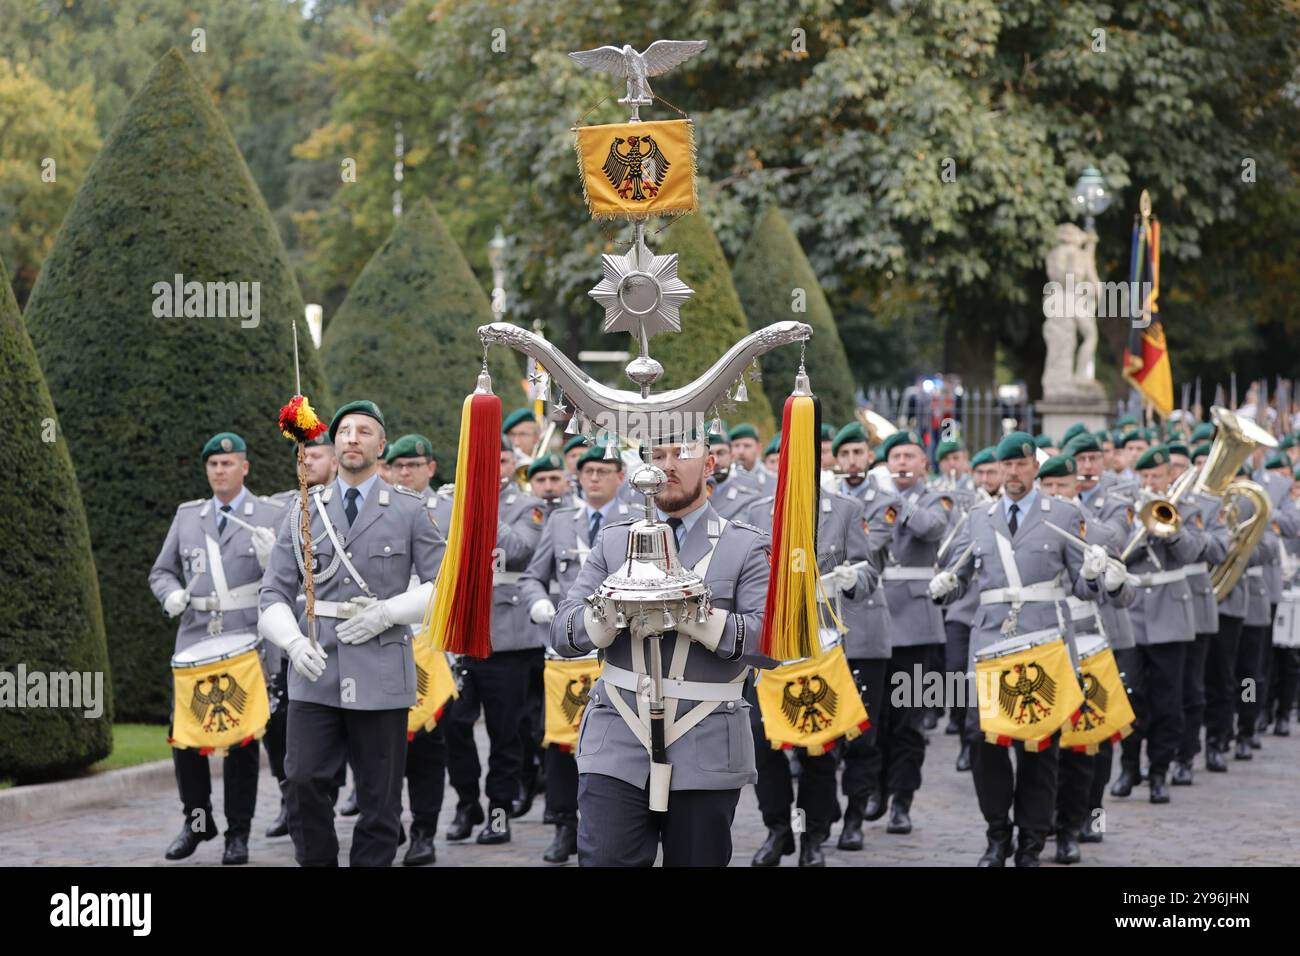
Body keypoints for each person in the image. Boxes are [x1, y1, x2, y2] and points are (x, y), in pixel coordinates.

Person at [548, 432, 777, 866]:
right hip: (618, 730)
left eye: (681, 454)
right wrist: (606, 616)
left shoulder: (745, 544)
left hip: (705, 734)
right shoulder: (615, 541)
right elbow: (563, 632)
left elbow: (769, 646)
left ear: (709, 465)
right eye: (657, 455)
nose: (667, 466)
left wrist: (695, 617)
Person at [258, 400, 442, 867]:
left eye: (364, 431)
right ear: (332, 443)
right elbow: (273, 592)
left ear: (381, 446)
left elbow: (446, 585)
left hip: (381, 665)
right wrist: (292, 641)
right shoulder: (304, 508)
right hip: (315, 664)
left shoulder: (408, 509)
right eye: (343, 431)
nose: (352, 438)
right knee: (301, 780)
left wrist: (388, 613)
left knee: (379, 798)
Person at [929, 432, 1112, 866]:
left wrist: (1094, 573)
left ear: (1034, 467)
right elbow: (959, 576)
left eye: (1021, 465)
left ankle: (1030, 842)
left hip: (1044, 642)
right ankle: (997, 834)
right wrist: (943, 590)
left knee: (1040, 747)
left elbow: (1085, 588)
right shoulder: (979, 516)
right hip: (992, 643)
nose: (1013, 473)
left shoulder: (1064, 514)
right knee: (983, 741)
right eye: (1006, 465)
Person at [149, 431, 283, 864]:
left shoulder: (267, 513)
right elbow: (161, 571)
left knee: (242, 742)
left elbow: (293, 577)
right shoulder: (189, 516)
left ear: (245, 467)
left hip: (246, 640)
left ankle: (237, 834)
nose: (220, 471)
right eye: (213, 465)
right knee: (186, 737)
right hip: (196, 639)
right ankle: (198, 821)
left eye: (228, 464)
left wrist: (272, 562)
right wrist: (170, 594)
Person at [742, 442, 875, 867]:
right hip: (771, 647)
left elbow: (869, 571)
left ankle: (814, 837)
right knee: (766, 745)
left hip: (822, 642)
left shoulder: (845, 509)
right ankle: (777, 828)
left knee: (819, 745)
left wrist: (851, 578)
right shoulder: (754, 510)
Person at [519, 444, 629, 862]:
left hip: (616, 649)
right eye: (588, 471)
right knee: (563, 743)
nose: (595, 478)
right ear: (577, 477)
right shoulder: (562, 521)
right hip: (568, 649)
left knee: (617, 739)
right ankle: (564, 825)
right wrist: (537, 604)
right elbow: (534, 576)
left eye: (604, 470)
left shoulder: (636, 521)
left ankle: (619, 823)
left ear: (620, 476)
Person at [442, 436, 546, 845]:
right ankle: (467, 802)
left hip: (508, 638)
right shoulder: (450, 499)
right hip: (461, 634)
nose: (493, 465)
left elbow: (520, 551)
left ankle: (499, 809)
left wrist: (481, 503)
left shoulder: (527, 505)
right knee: (454, 725)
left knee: (507, 732)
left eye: (500, 460)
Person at [1038, 451, 1135, 862]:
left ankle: (1088, 815)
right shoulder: (1030, 528)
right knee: (1048, 739)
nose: (1057, 493)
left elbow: (1124, 592)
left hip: (1091, 641)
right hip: (1047, 640)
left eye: (1064, 486)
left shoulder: (1089, 524)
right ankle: (1048, 819)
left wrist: (1110, 578)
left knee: (1096, 736)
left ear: (1077, 486)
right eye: (1050, 487)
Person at [1109, 445, 1203, 804]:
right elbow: (1112, 552)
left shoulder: (1187, 508)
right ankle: (1130, 766)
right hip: (1131, 612)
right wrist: (1137, 527)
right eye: (1144, 477)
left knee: (1169, 697)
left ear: (1169, 477)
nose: (1150, 483)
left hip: (1170, 612)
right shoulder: (1124, 510)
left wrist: (1169, 529)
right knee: (1130, 694)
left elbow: (1195, 552)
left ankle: (1160, 770)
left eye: (1156, 477)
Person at [265, 430, 339, 838]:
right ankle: (292, 804)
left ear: (334, 459)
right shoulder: (284, 508)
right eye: (301, 457)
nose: (306, 462)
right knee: (290, 744)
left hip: (347, 639)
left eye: (315, 455)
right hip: (296, 640)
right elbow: (273, 585)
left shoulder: (356, 505)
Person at [830, 422, 901, 848]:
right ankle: (821, 814)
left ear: (868, 457)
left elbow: (872, 553)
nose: (852, 460)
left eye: (859, 452)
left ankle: (856, 815)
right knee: (821, 729)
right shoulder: (820, 501)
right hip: (826, 627)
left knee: (864, 730)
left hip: (866, 626)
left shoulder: (884, 502)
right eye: (845, 454)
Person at [875, 429, 949, 834]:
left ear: (924, 464)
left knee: (909, 720)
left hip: (918, 627)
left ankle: (903, 799)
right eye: (896, 457)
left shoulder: (936, 496)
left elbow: (931, 529)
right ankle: (878, 790)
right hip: (876, 619)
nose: (902, 463)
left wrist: (895, 500)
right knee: (876, 717)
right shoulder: (872, 498)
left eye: (909, 456)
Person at [384, 432, 452, 866]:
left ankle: (424, 831)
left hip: (430, 636)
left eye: (413, 465)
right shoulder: (377, 508)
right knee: (381, 746)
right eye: (398, 466)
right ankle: (387, 824)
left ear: (430, 467)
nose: (405, 472)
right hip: (385, 634)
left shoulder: (451, 508)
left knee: (428, 744)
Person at [706, 431, 760, 518]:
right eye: (709, 454)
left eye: (721, 453)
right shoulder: (689, 495)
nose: (715, 461)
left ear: (732, 456)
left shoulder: (747, 498)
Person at [729, 422, 771, 490]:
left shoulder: (771, 480)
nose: (741, 451)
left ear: (758, 448)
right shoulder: (724, 480)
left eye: (747, 446)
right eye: (736, 446)